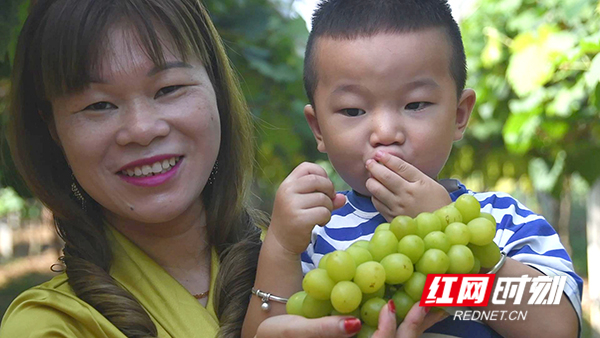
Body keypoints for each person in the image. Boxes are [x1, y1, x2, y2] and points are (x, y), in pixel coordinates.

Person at [244, 0, 583, 337]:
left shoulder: (501, 221)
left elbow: (558, 327)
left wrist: (450, 233)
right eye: (352, 110)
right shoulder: (310, 236)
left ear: (459, 115)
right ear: (318, 128)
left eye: (415, 104)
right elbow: (267, 332)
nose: (386, 132)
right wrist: (281, 246)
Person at [0, 0, 273, 337]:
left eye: (169, 88)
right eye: (98, 105)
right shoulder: (50, 325)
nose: (142, 130)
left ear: (216, 86)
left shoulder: (314, 257)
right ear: (54, 130)